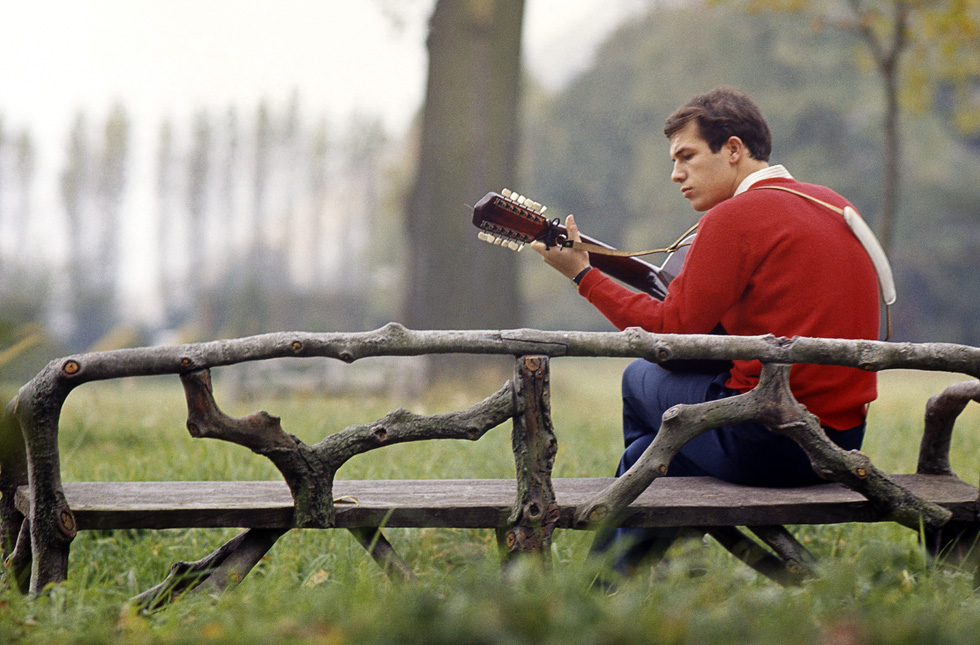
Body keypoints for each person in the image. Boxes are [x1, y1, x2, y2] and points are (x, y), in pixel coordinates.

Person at [532, 86, 881, 572]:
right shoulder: (835, 206)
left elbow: (668, 333)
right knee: (649, 451)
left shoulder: (735, 217)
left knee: (638, 381)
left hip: (767, 447)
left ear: (733, 150)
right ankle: (643, 562)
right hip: (842, 444)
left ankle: (630, 578)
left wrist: (582, 275)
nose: (676, 174)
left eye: (687, 156)